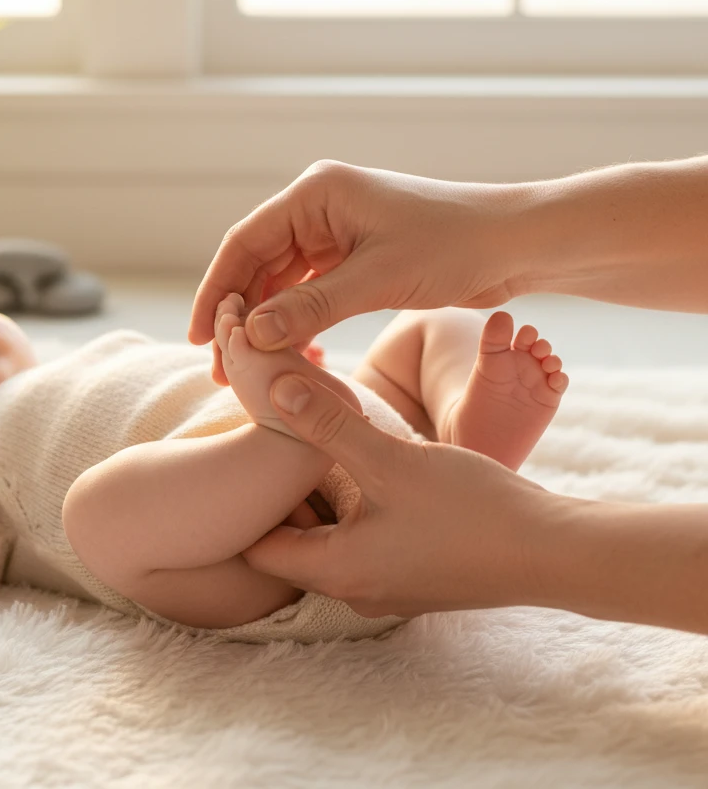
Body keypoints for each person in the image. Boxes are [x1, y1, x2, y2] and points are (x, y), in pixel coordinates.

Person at [0, 277, 565, 642]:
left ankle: (459, 447)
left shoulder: (80, 359)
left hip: (349, 442)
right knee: (98, 514)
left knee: (432, 327)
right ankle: (293, 436)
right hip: (262, 554)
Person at [187, 156, 708, 637]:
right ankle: (448, 443)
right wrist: (500, 235)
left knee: (430, 324)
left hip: (301, 440)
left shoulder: (110, 353)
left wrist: (524, 546)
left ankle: (435, 443)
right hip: (249, 490)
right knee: (433, 326)